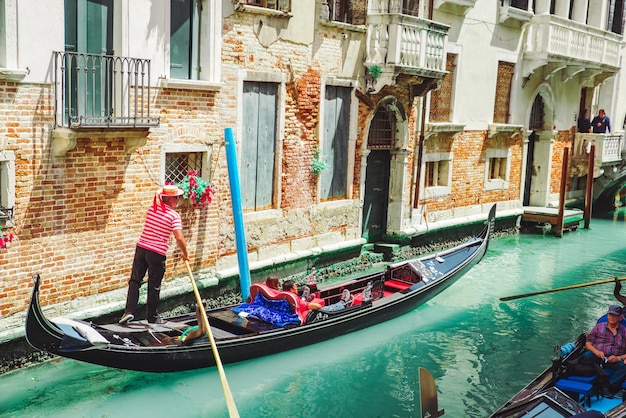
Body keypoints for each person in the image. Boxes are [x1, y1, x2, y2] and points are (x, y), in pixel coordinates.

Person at [119, 185, 189, 324]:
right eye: (177, 197)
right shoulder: (174, 216)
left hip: (141, 249)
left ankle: (129, 311)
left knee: (135, 281)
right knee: (154, 285)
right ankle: (152, 318)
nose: (178, 200)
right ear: (171, 199)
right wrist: (185, 254)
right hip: (156, 253)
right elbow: (179, 238)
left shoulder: (152, 209)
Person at [581, 304, 626, 398]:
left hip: (614, 360)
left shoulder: (625, 331)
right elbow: (588, 344)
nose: (612, 317)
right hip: (598, 356)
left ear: (620, 317)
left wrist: (618, 358)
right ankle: (600, 383)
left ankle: (608, 386)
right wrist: (596, 352)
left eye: (615, 315)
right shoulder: (598, 327)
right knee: (586, 356)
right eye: (610, 315)